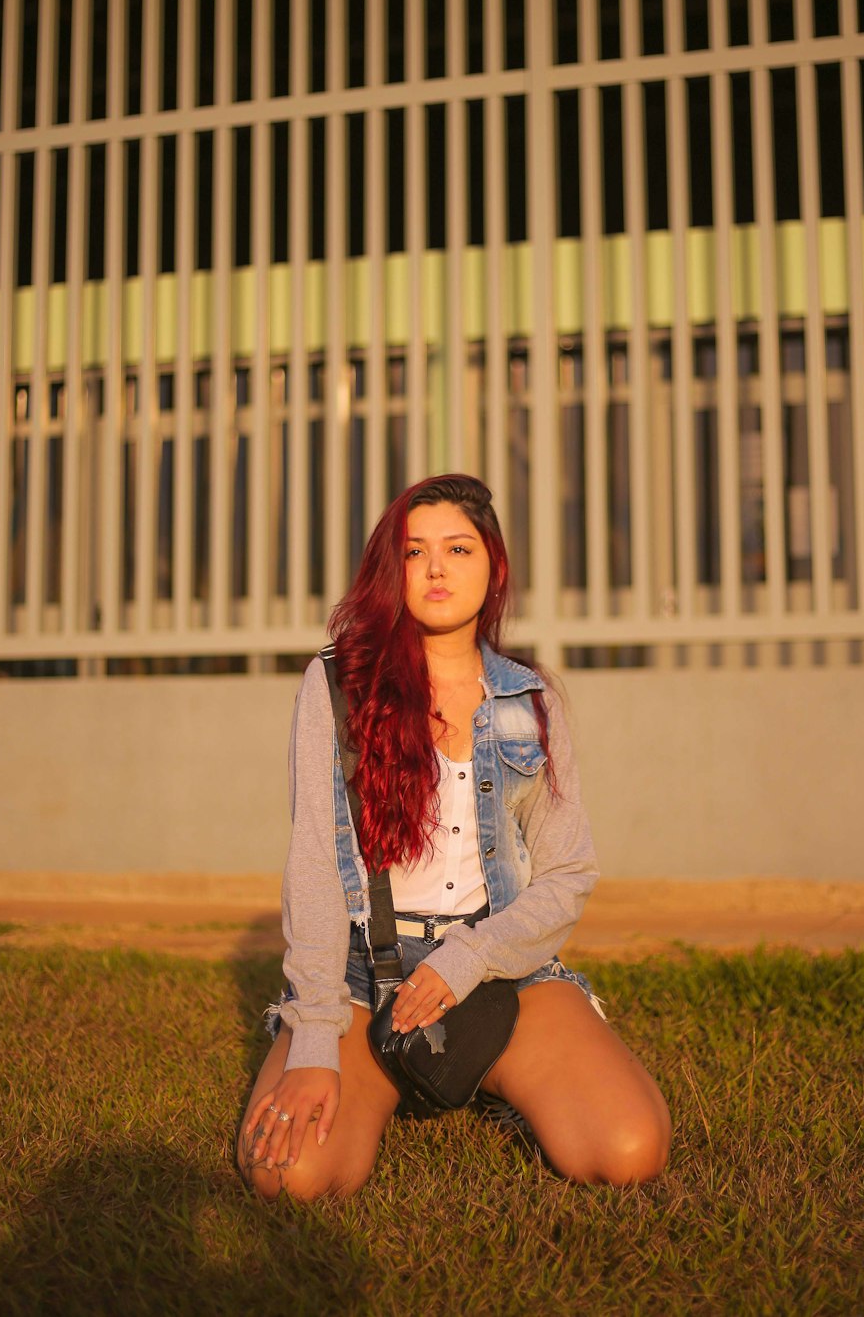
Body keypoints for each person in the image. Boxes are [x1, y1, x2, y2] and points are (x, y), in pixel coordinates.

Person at [238, 474, 670, 1199]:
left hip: (498, 965)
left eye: (458, 549)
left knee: (629, 1151)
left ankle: (489, 1072)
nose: (437, 569)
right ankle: (396, 1067)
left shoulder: (529, 699)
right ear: (391, 569)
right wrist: (314, 1039)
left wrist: (467, 961)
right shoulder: (337, 687)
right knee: (292, 1178)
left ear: (493, 566)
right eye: (414, 552)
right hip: (364, 978)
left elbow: (568, 873)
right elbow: (314, 865)